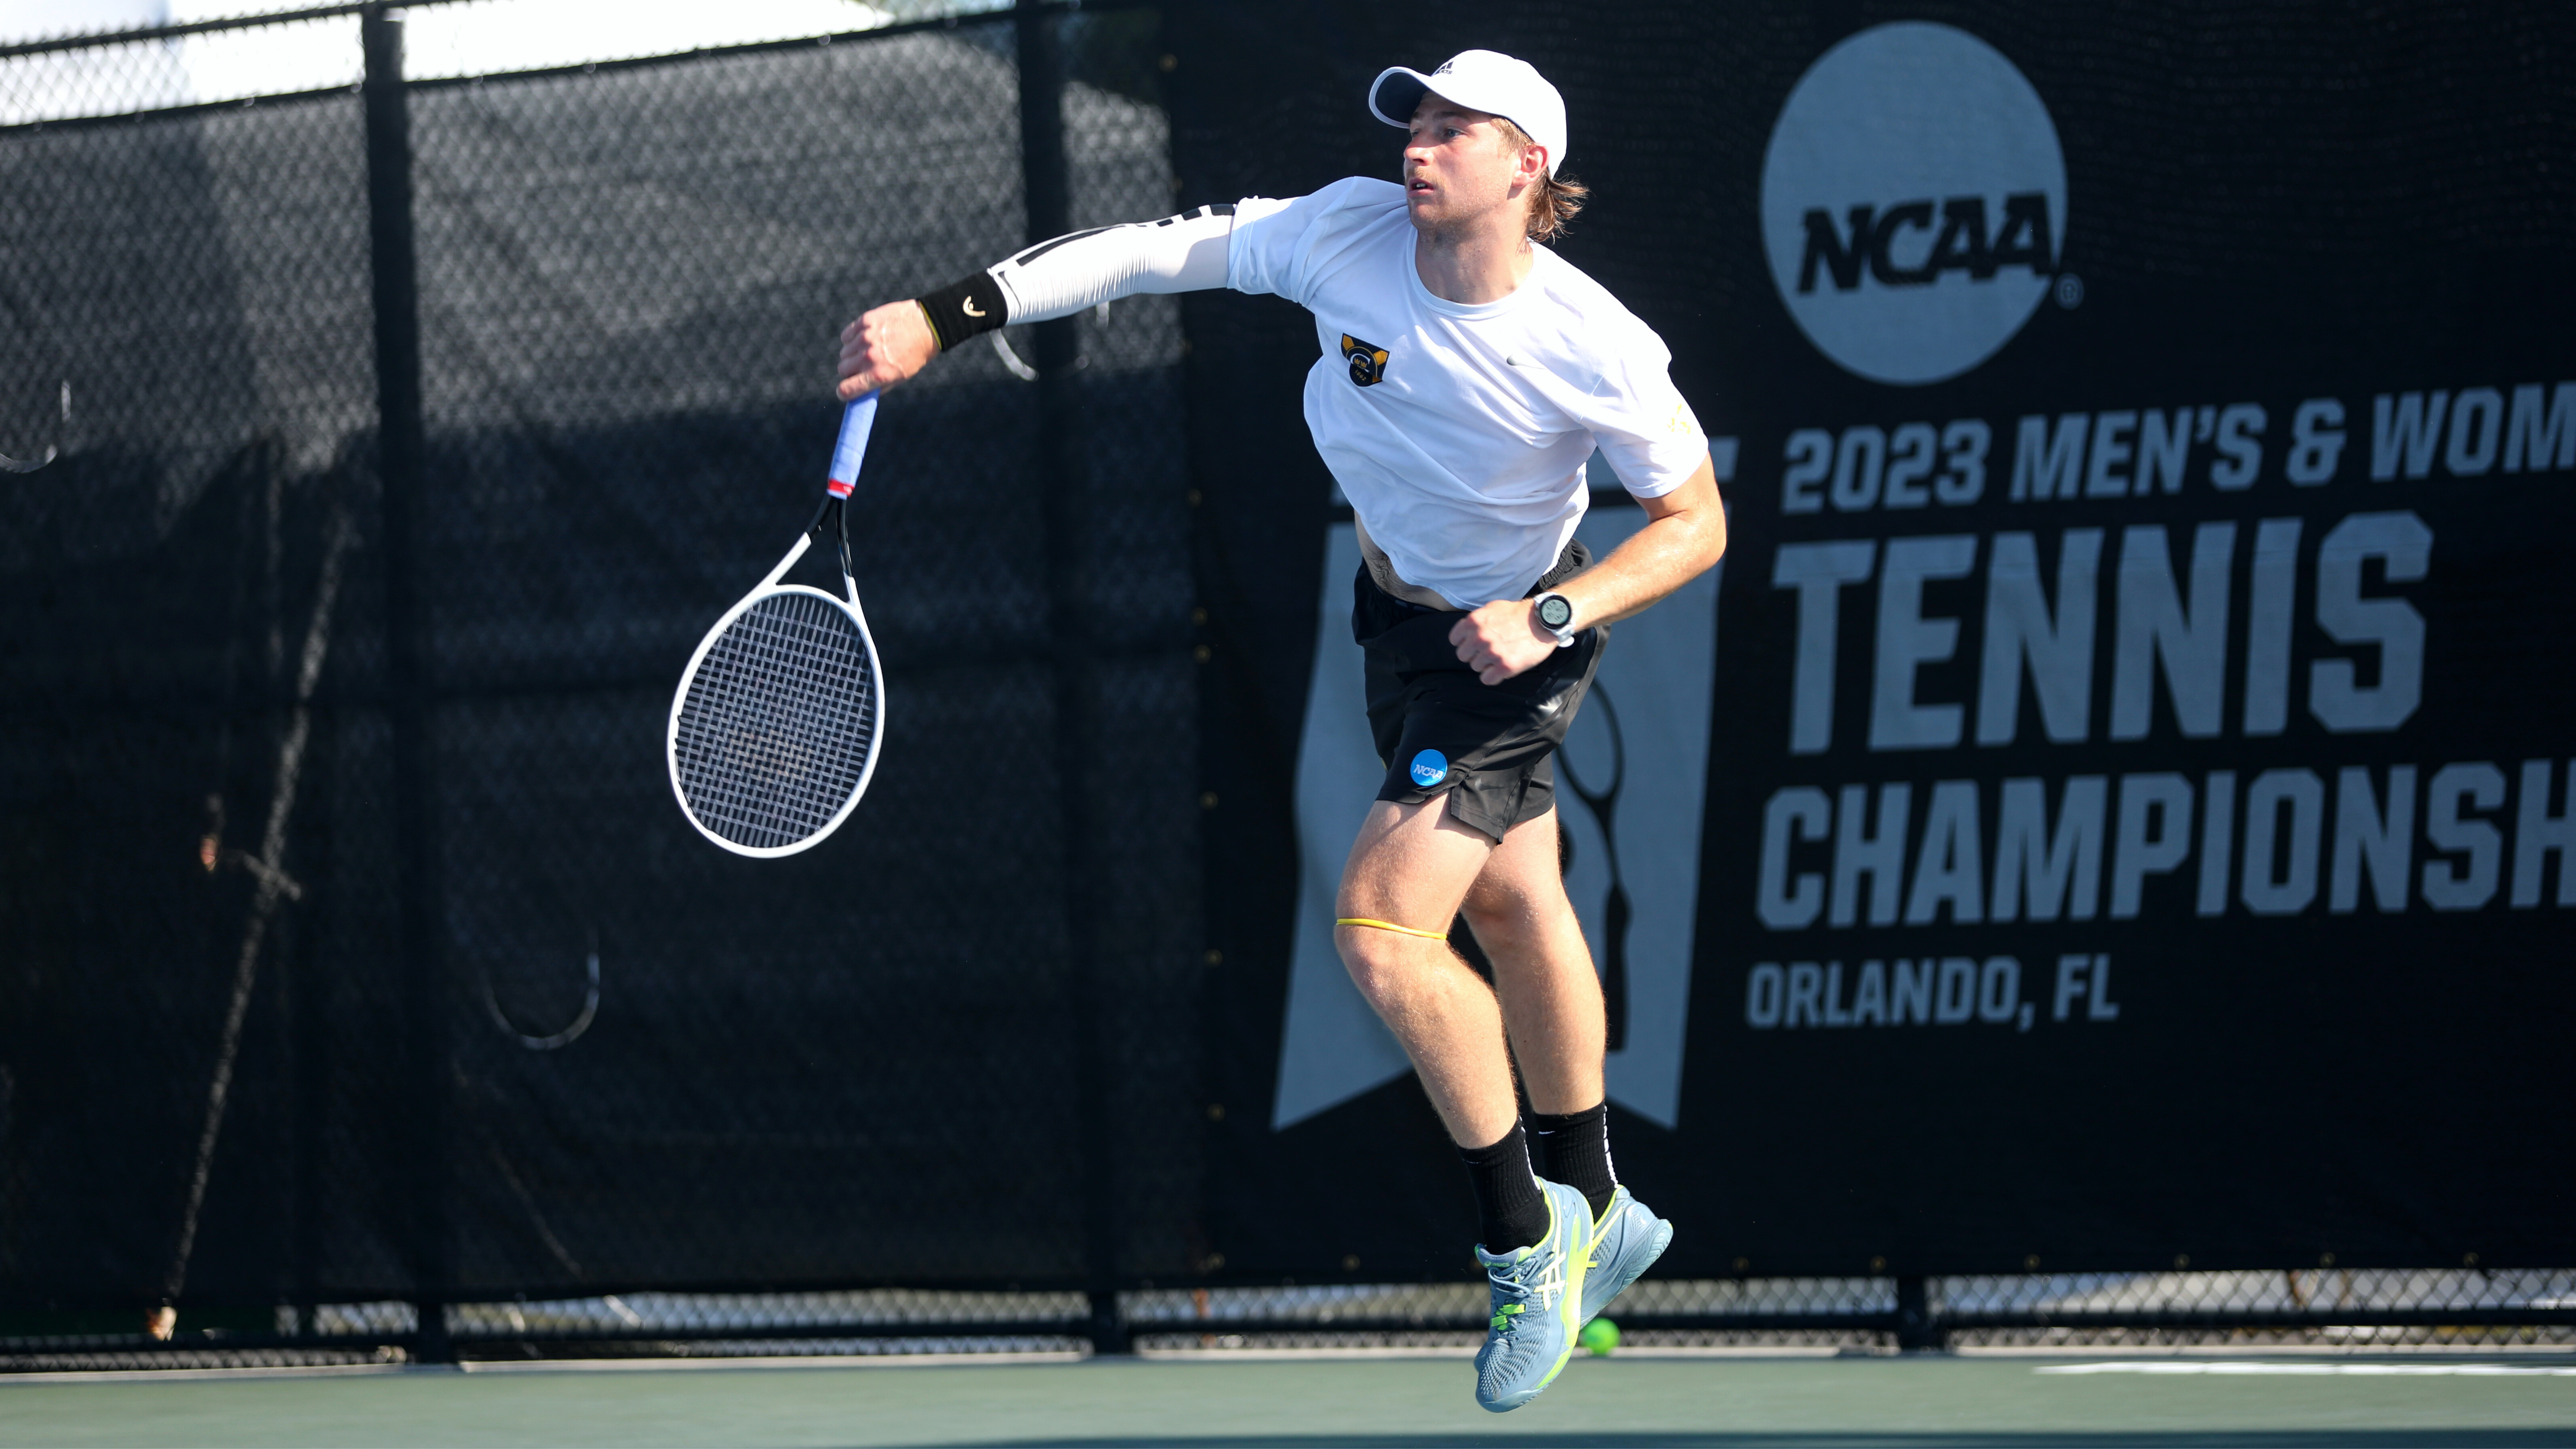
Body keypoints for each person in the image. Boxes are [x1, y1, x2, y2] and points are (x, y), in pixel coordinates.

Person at [834, 49, 1726, 1412]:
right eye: (1413, 123)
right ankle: (1602, 1202)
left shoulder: (1593, 344)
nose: (1419, 147)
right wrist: (950, 315)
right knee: (1517, 900)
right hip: (1399, 619)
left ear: (1526, 166)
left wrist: (1554, 612)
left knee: (1381, 930)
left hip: (1505, 649)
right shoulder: (1343, 231)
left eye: (1454, 130)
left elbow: (1696, 523)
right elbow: (1141, 253)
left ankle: (1525, 1235)